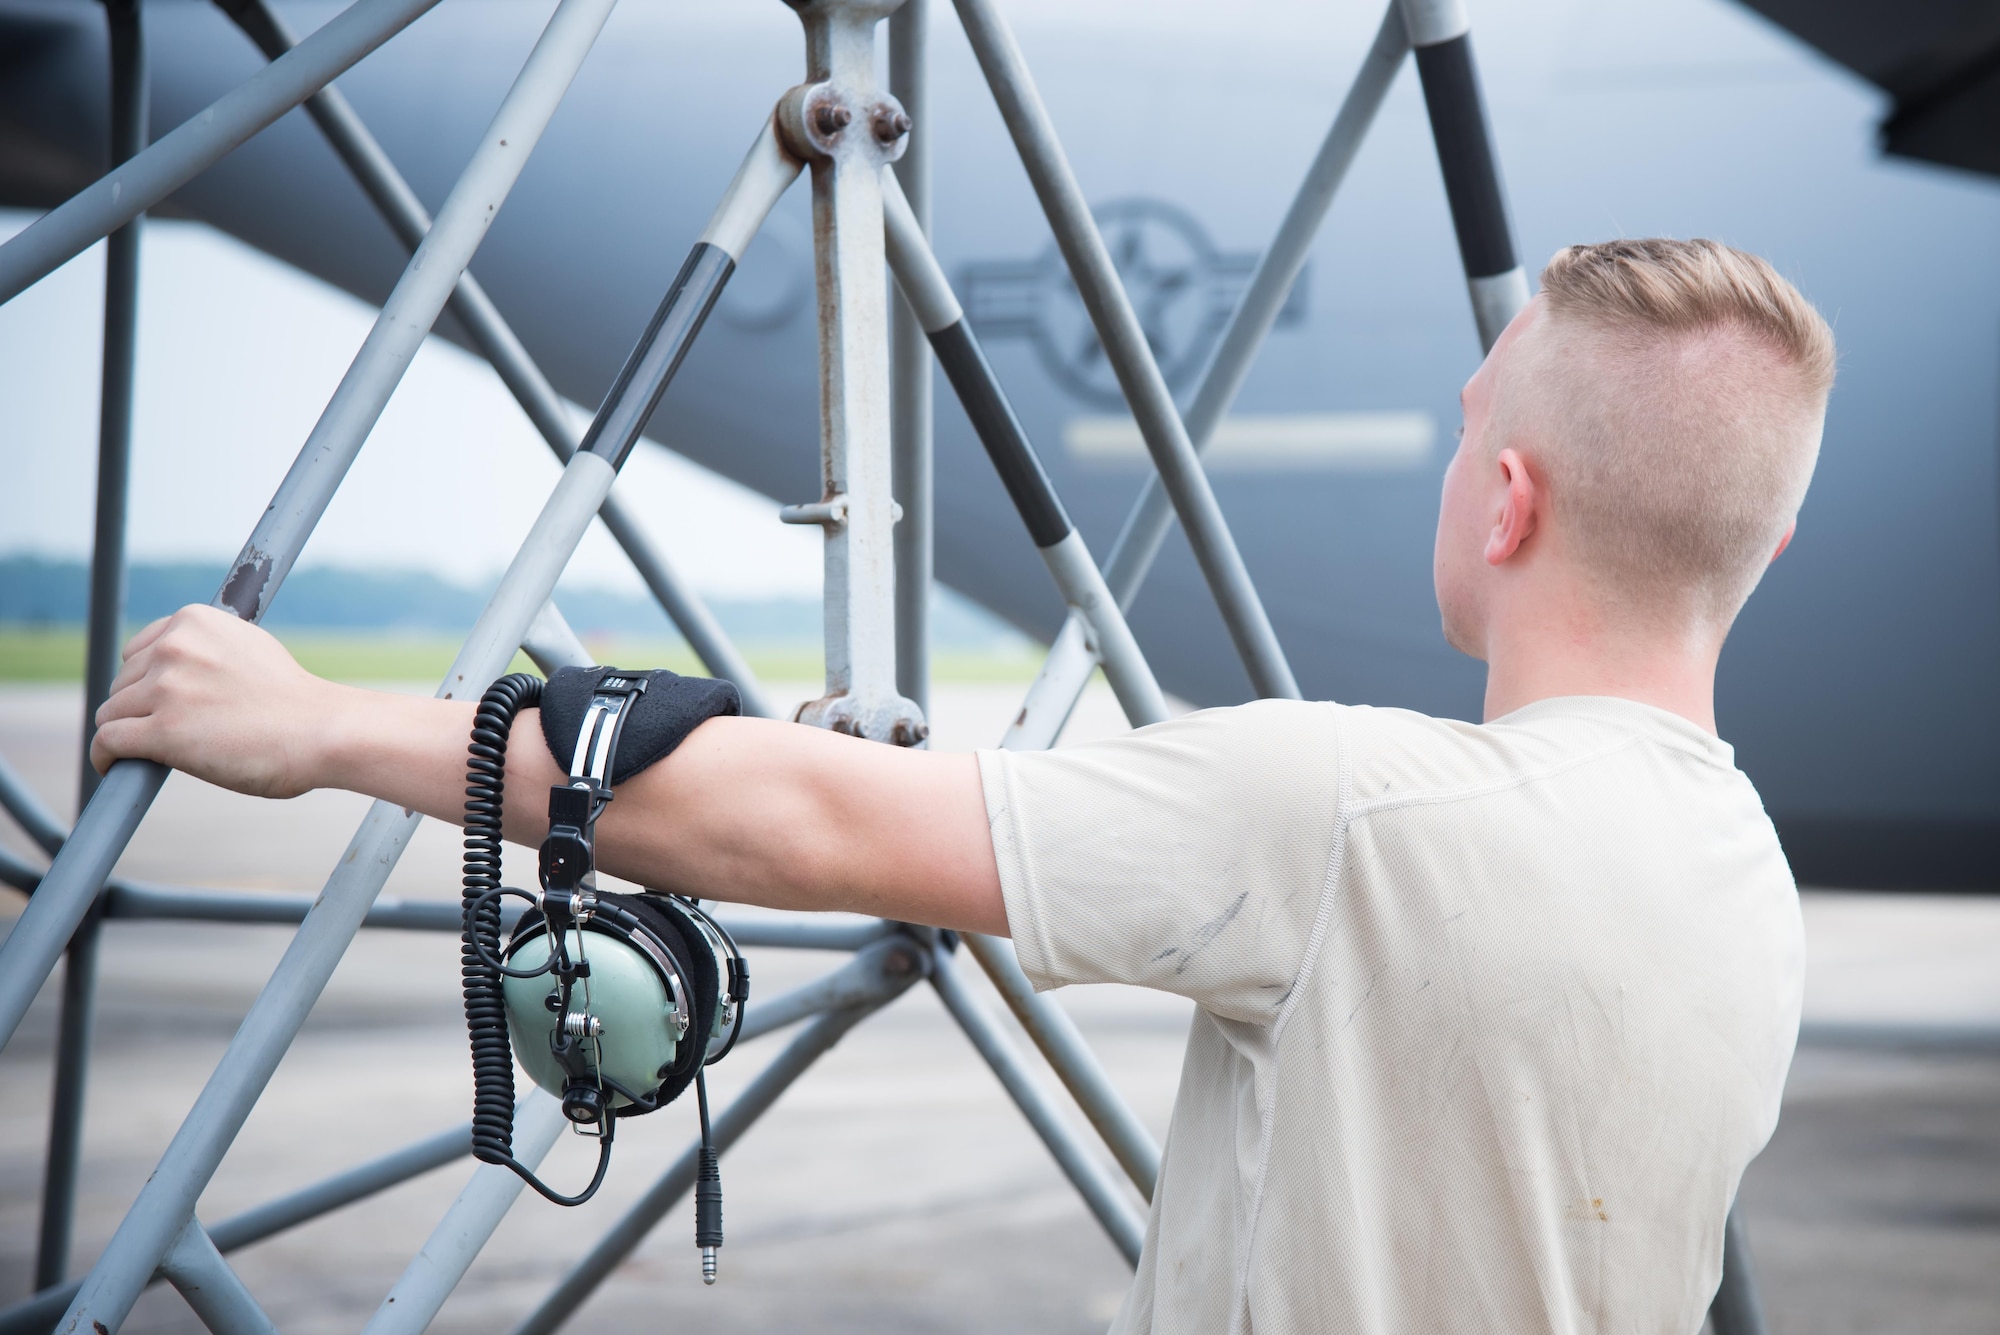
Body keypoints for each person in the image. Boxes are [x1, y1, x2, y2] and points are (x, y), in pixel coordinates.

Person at [91, 237, 1833, 1333]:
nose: (1452, 463)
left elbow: (788, 819)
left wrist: (319, 725)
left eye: (1468, 429)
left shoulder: (1357, 815)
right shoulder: (1747, 880)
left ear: (1509, 499)